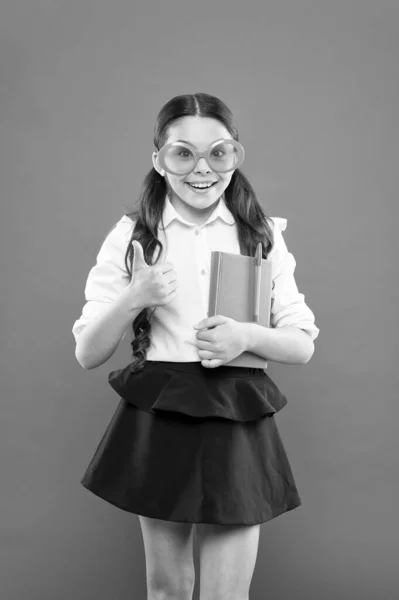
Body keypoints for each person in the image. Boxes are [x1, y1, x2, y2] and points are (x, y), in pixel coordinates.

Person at [72, 92, 320, 600]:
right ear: (159, 161)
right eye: (183, 153)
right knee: (167, 590)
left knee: (226, 596)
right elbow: (87, 353)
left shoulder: (262, 235)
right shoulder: (132, 238)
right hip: (162, 411)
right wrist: (133, 300)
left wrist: (246, 337)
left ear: (234, 155)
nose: (201, 169)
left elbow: (301, 344)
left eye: (218, 152)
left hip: (237, 411)